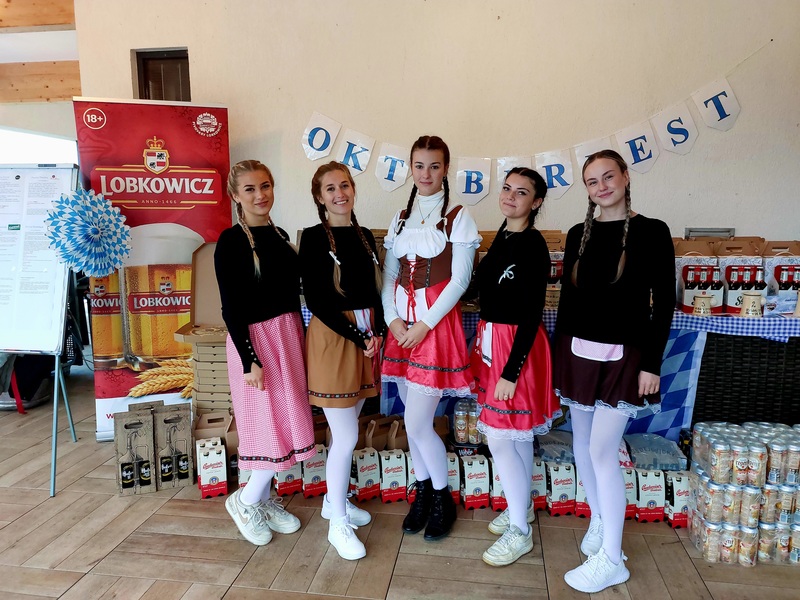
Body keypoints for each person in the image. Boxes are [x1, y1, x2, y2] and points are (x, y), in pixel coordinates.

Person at [554, 150, 675, 593]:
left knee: (603, 450)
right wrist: (559, 359)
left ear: (625, 177)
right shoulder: (577, 234)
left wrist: (651, 364)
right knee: (583, 445)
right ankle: (602, 520)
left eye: (609, 177)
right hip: (578, 353)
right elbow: (569, 303)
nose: (602, 187)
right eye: (592, 181)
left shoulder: (653, 231)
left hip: (625, 357)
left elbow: (664, 302)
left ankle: (612, 560)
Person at [382, 135, 481, 540]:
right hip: (401, 330)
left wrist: (423, 324)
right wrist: (392, 320)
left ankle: (442, 498)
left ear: (446, 169)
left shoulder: (458, 216)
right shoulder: (400, 217)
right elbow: (389, 276)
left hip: (433, 330)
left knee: (417, 422)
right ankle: (423, 493)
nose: (426, 174)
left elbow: (460, 281)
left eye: (434, 166)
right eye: (419, 165)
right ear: (411, 168)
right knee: (413, 423)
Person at [214, 160, 317, 547]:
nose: (260, 195)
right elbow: (230, 307)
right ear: (236, 196)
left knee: (286, 420)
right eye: (250, 189)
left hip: (287, 336)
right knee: (266, 424)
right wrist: (249, 359)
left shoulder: (280, 234)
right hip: (256, 342)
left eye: (266, 186)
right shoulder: (230, 242)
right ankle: (244, 502)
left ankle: (261, 498)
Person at [470, 167, 561, 566]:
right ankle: (520, 507)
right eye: (506, 188)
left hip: (516, 348)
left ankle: (520, 533)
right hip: (493, 340)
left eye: (521, 192)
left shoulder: (533, 245)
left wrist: (511, 372)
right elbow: (480, 289)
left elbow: (531, 312)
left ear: (536, 202)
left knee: (501, 439)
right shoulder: (502, 236)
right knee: (518, 438)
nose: (510, 196)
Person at [299, 161, 385, 560]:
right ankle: (337, 525)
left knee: (346, 428)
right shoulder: (313, 238)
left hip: (366, 336)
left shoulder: (364, 236)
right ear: (319, 197)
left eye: (345, 185)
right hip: (336, 338)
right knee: (346, 435)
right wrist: (360, 336)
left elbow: (374, 291)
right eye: (331, 188)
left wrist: (377, 330)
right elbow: (318, 300)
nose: (340, 193)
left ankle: (334, 502)